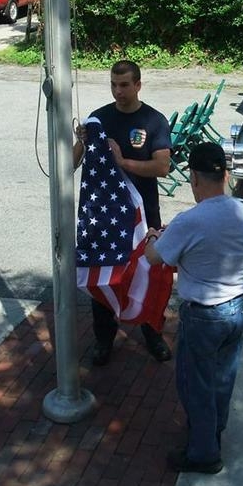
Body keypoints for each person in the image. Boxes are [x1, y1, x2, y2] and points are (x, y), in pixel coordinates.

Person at [144, 142, 243, 474]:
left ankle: (204, 453)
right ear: (225, 175)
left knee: (196, 385)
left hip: (205, 315)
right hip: (238, 308)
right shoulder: (241, 211)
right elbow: (217, 249)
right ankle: (213, 432)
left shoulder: (189, 220)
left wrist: (153, 237)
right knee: (222, 378)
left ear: (193, 177)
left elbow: (154, 258)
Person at [73, 60, 172, 365]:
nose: (119, 91)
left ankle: (153, 335)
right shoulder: (99, 118)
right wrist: (81, 141)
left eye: (125, 85)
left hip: (144, 219)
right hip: (106, 220)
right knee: (105, 278)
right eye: (114, 85)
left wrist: (122, 161)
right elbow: (72, 164)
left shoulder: (154, 121)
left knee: (149, 277)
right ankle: (104, 341)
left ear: (138, 85)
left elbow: (163, 167)